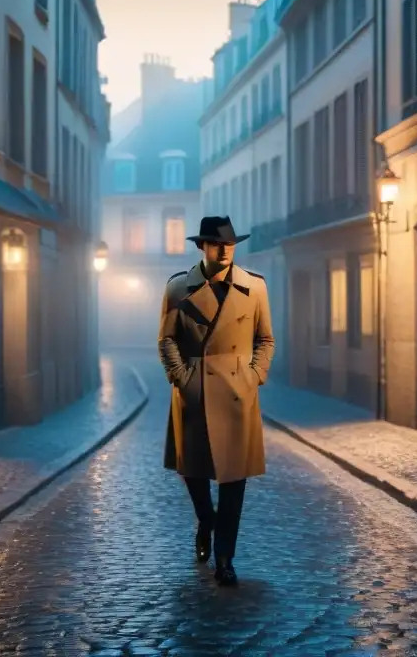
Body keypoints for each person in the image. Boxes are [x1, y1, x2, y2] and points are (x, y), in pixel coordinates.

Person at [157, 215, 276, 586]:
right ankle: (205, 519)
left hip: (237, 393)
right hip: (194, 391)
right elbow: (167, 339)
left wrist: (253, 376)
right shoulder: (178, 288)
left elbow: (265, 340)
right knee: (192, 471)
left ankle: (225, 557)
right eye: (215, 243)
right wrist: (182, 377)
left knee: (233, 481)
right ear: (201, 247)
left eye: (229, 244)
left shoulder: (254, 287)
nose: (224, 250)